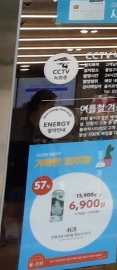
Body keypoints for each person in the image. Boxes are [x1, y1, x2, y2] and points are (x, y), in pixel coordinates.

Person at [3, 90, 57, 245]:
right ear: (41, 106)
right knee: (14, 205)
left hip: (37, 166)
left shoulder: (45, 122)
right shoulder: (19, 118)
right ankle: (7, 236)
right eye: (51, 105)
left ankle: (27, 236)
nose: (53, 109)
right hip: (19, 167)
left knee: (31, 203)